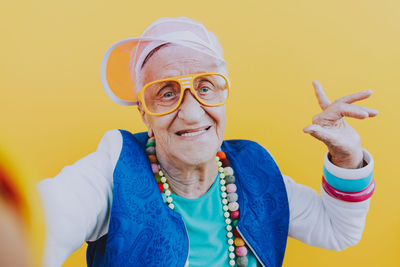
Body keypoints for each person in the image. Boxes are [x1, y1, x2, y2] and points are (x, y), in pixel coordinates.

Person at [37, 17, 378, 267]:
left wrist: (346, 158)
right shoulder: (115, 168)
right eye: (167, 93)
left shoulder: (252, 170)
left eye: (204, 88)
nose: (191, 113)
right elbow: (43, 224)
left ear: (224, 95)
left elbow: (337, 230)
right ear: (144, 113)